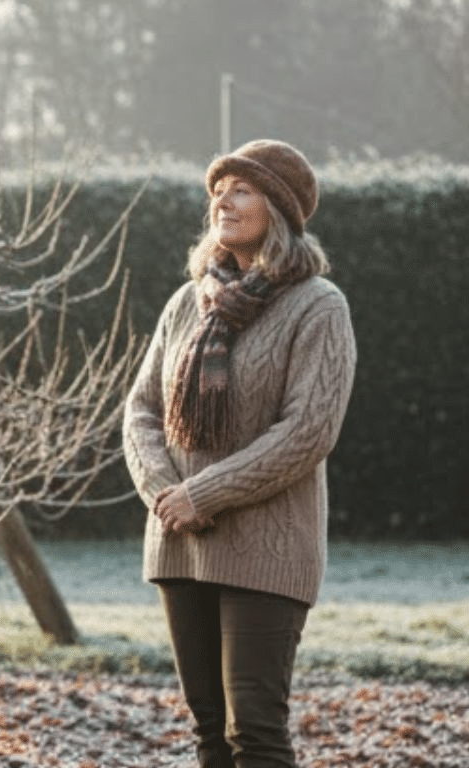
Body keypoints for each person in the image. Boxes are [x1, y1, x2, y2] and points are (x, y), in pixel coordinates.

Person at [122, 139, 356, 768]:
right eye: (217, 189)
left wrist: (203, 494)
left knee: (253, 731)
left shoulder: (318, 307)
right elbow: (141, 411)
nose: (222, 198)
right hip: (179, 544)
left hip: (267, 551)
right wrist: (164, 495)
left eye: (241, 188)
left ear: (277, 209)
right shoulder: (186, 302)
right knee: (207, 733)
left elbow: (308, 431)